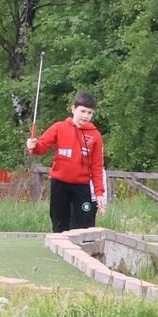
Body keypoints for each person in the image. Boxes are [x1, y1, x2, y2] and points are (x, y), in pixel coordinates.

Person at [26, 91, 107, 233]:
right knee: (59, 221)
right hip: (60, 185)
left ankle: (83, 251)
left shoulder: (95, 136)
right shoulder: (59, 128)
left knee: (85, 220)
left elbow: (97, 167)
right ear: (73, 109)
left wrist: (99, 192)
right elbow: (40, 148)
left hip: (82, 187)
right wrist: (33, 145)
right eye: (82, 111)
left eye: (89, 113)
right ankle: (60, 249)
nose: (85, 116)